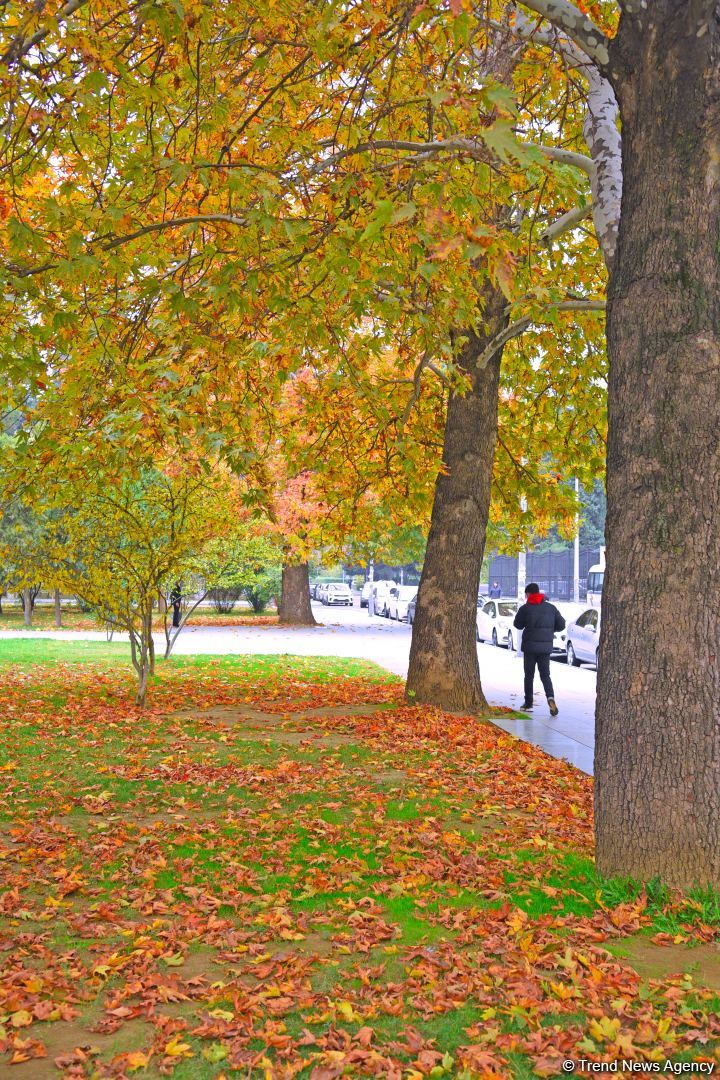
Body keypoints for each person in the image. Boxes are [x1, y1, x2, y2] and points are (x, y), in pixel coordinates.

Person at [513, 583, 565, 715]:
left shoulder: (525, 608)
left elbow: (517, 625)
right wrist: (549, 629)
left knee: (529, 676)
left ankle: (528, 702)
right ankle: (550, 697)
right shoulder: (551, 608)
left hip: (530, 648)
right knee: (545, 675)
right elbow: (561, 625)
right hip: (545, 648)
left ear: (529, 594)